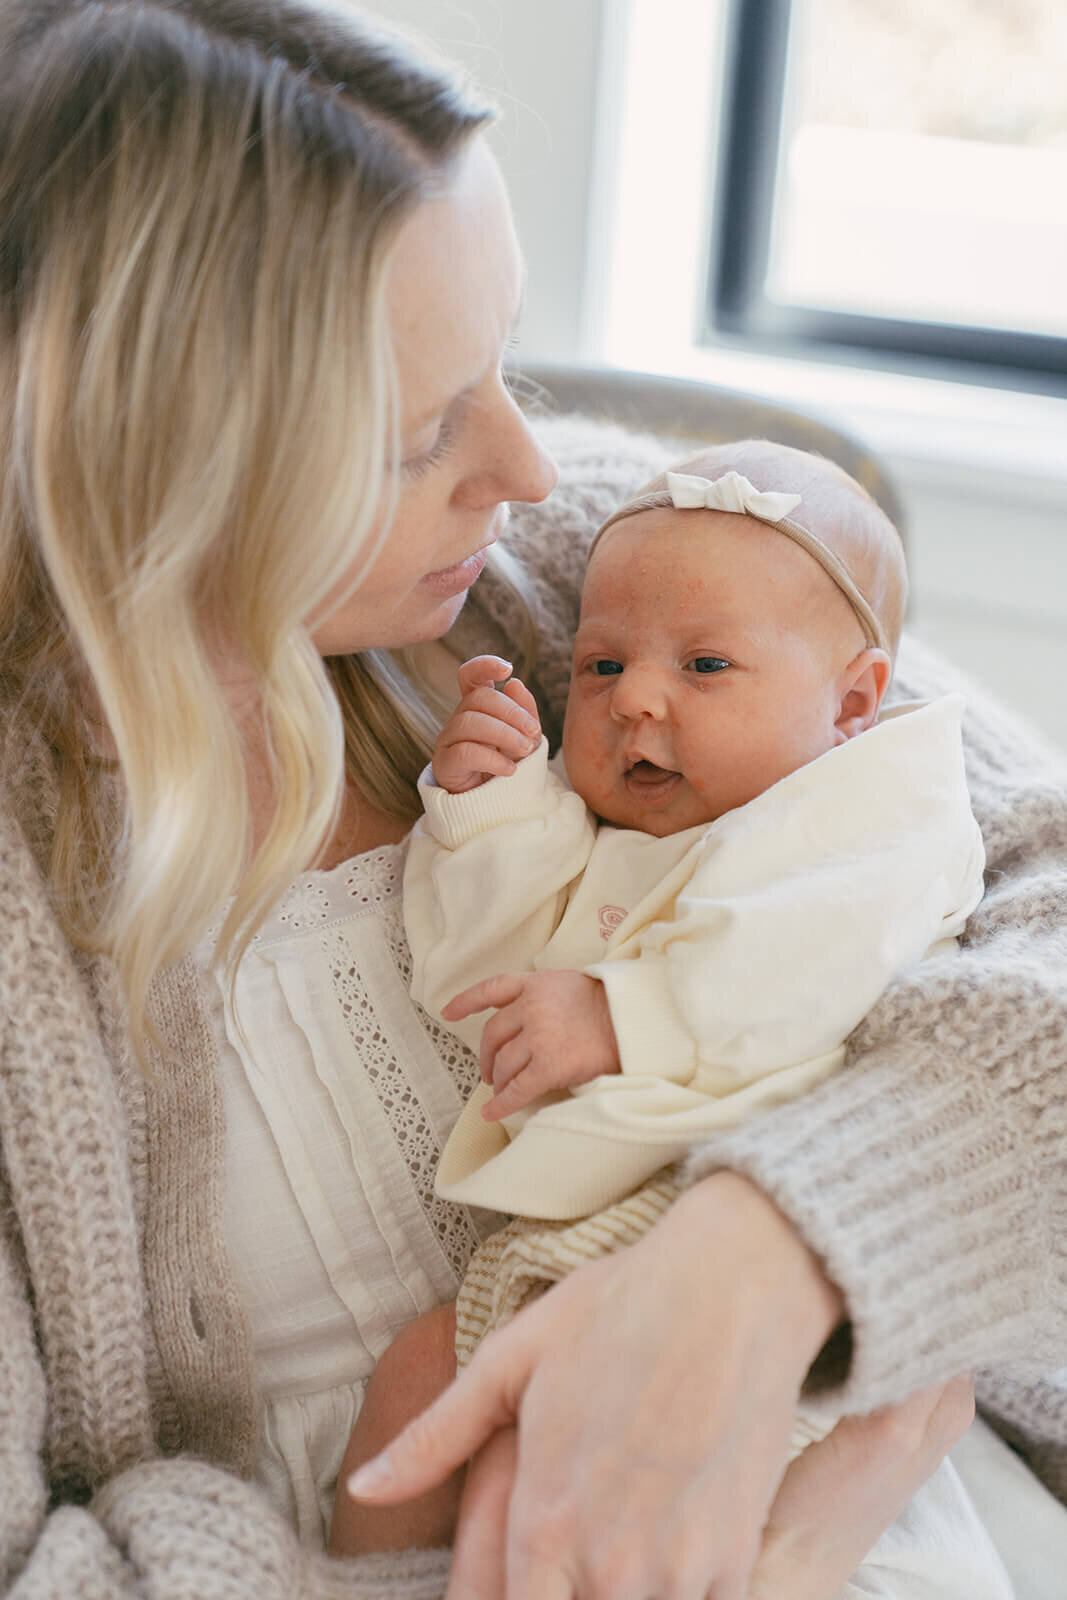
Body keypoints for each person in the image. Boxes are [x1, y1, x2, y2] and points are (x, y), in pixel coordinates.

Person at [0, 3, 1063, 1599]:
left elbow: (1034, 887)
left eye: (503, 355)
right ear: (146, 464)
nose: (528, 466)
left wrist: (775, 1251)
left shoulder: (609, 574)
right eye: (423, 433)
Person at [336, 442, 1011, 1596]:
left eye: (704, 664)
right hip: (586, 1244)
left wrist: (624, 1012)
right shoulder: (614, 835)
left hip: (778, 1232)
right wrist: (493, 817)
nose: (635, 698)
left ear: (853, 702)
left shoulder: (877, 815)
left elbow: (810, 959)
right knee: (421, 1389)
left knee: (571, 1482)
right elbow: (477, 983)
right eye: (600, 664)